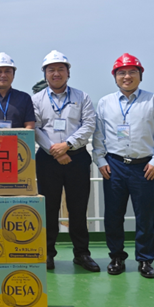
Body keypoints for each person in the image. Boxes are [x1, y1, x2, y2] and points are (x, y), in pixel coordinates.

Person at [92, 53, 154, 278]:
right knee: (113, 215)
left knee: (145, 215)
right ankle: (116, 257)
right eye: (122, 73)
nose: (127, 77)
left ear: (140, 75)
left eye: (132, 72)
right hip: (114, 165)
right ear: (115, 76)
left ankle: (145, 260)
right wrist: (100, 160)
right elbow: (98, 136)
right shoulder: (105, 102)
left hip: (145, 167)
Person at [31, 50, 98, 272]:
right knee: (48, 208)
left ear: (68, 72)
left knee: (78, 208)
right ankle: (48, 253)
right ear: (45, 74)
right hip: (47, 159)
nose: (56, 73)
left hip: (76, 158)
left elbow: (89, 125)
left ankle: (82, 254)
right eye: (51, 70)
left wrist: (67, 145)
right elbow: (35, 128)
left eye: (61, 69)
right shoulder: (36, 99)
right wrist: (55, 151)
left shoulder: (82, 97)